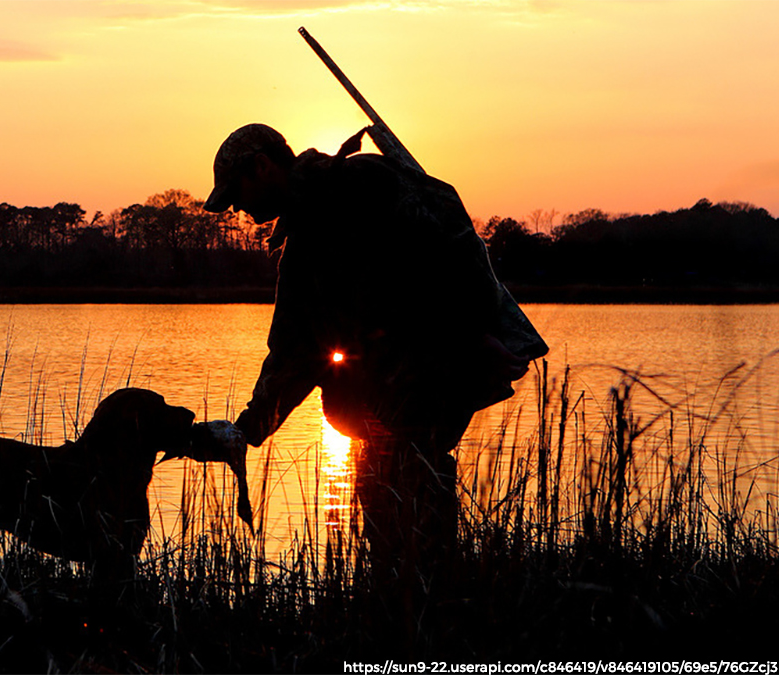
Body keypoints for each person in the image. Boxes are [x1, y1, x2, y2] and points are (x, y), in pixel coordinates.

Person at [201, 123, 548, 647]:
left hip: (412, 395)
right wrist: (252, 426)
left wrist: (250, 427)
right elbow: (303, 345)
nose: (236, 208)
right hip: (400, 402)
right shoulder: (328, 207)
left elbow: (300, 347)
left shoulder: (336, 207)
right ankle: (422, 627)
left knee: (407, 527)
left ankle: (423, 635)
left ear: (262, 167)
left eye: (237, 193)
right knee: (400, 523)